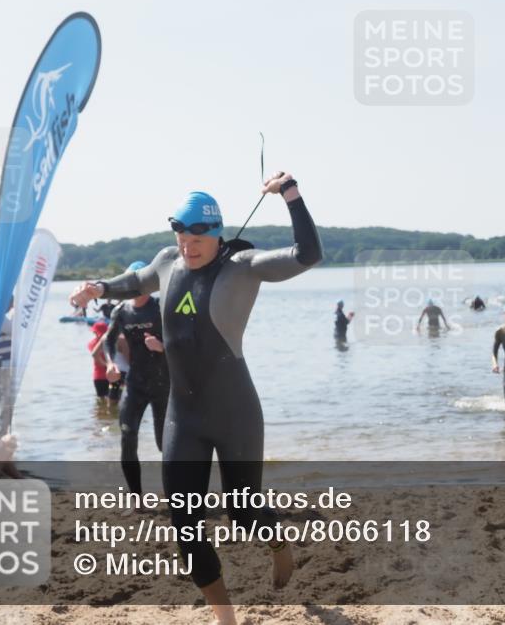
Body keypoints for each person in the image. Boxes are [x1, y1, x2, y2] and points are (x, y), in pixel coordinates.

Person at [69, 171, 321, 623]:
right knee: (185, 523)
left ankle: (278, 543)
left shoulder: (243, 267)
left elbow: (308, 254)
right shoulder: (168, 261)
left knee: (243, 512)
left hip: (235, 412)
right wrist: (98, 287)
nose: (187, 245)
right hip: (183, 416)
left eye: (197, 237)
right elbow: (136, 281)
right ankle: (226, 618)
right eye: (181, 236)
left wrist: (290, 194)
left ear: (217, 232)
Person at [104, 261, 170, 499]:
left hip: (164, 385)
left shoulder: (161, 306)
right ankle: (136, 498)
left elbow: (184, 340)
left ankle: (176, 493)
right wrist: (111, 363)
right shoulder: (121, 311)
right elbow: (108, 341)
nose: (138, 289)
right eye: (133, 284)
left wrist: (162, 347)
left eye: (143, 284)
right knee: (127, 437)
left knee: (165, 444)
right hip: (135, 384)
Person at [88, 320, 112, 401]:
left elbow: (96, 356)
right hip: (110, 375)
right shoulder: (111, 342)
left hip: (99, 376)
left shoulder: (92, 343)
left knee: (101, 400)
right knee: (112, 399)